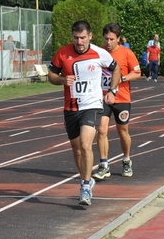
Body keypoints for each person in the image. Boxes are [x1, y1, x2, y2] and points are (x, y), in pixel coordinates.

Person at [48, 20, 121, 206]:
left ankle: (85, 186)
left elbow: (116, 69)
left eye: (82, 38)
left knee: (86, 144)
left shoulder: (99, 53)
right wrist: (63, 80)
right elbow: (51, 76)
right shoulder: (63, 53)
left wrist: (112, 91)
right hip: (70, 108)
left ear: (90, 36)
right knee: (76, 148)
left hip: (92, 106)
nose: (79, 42)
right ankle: (86, 178)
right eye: (75, 38)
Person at [91, 23, 140, 181]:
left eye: (112, 39)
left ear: (118, 39)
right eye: (106, 39)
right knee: (102, 130)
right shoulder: (98, 52)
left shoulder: (126, 53)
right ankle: (104, 165)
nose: (108, 42)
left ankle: (126, 160)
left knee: (122, 132)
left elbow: (137, 73)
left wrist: (121, 78)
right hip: (103, 97)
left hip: (122, 98)